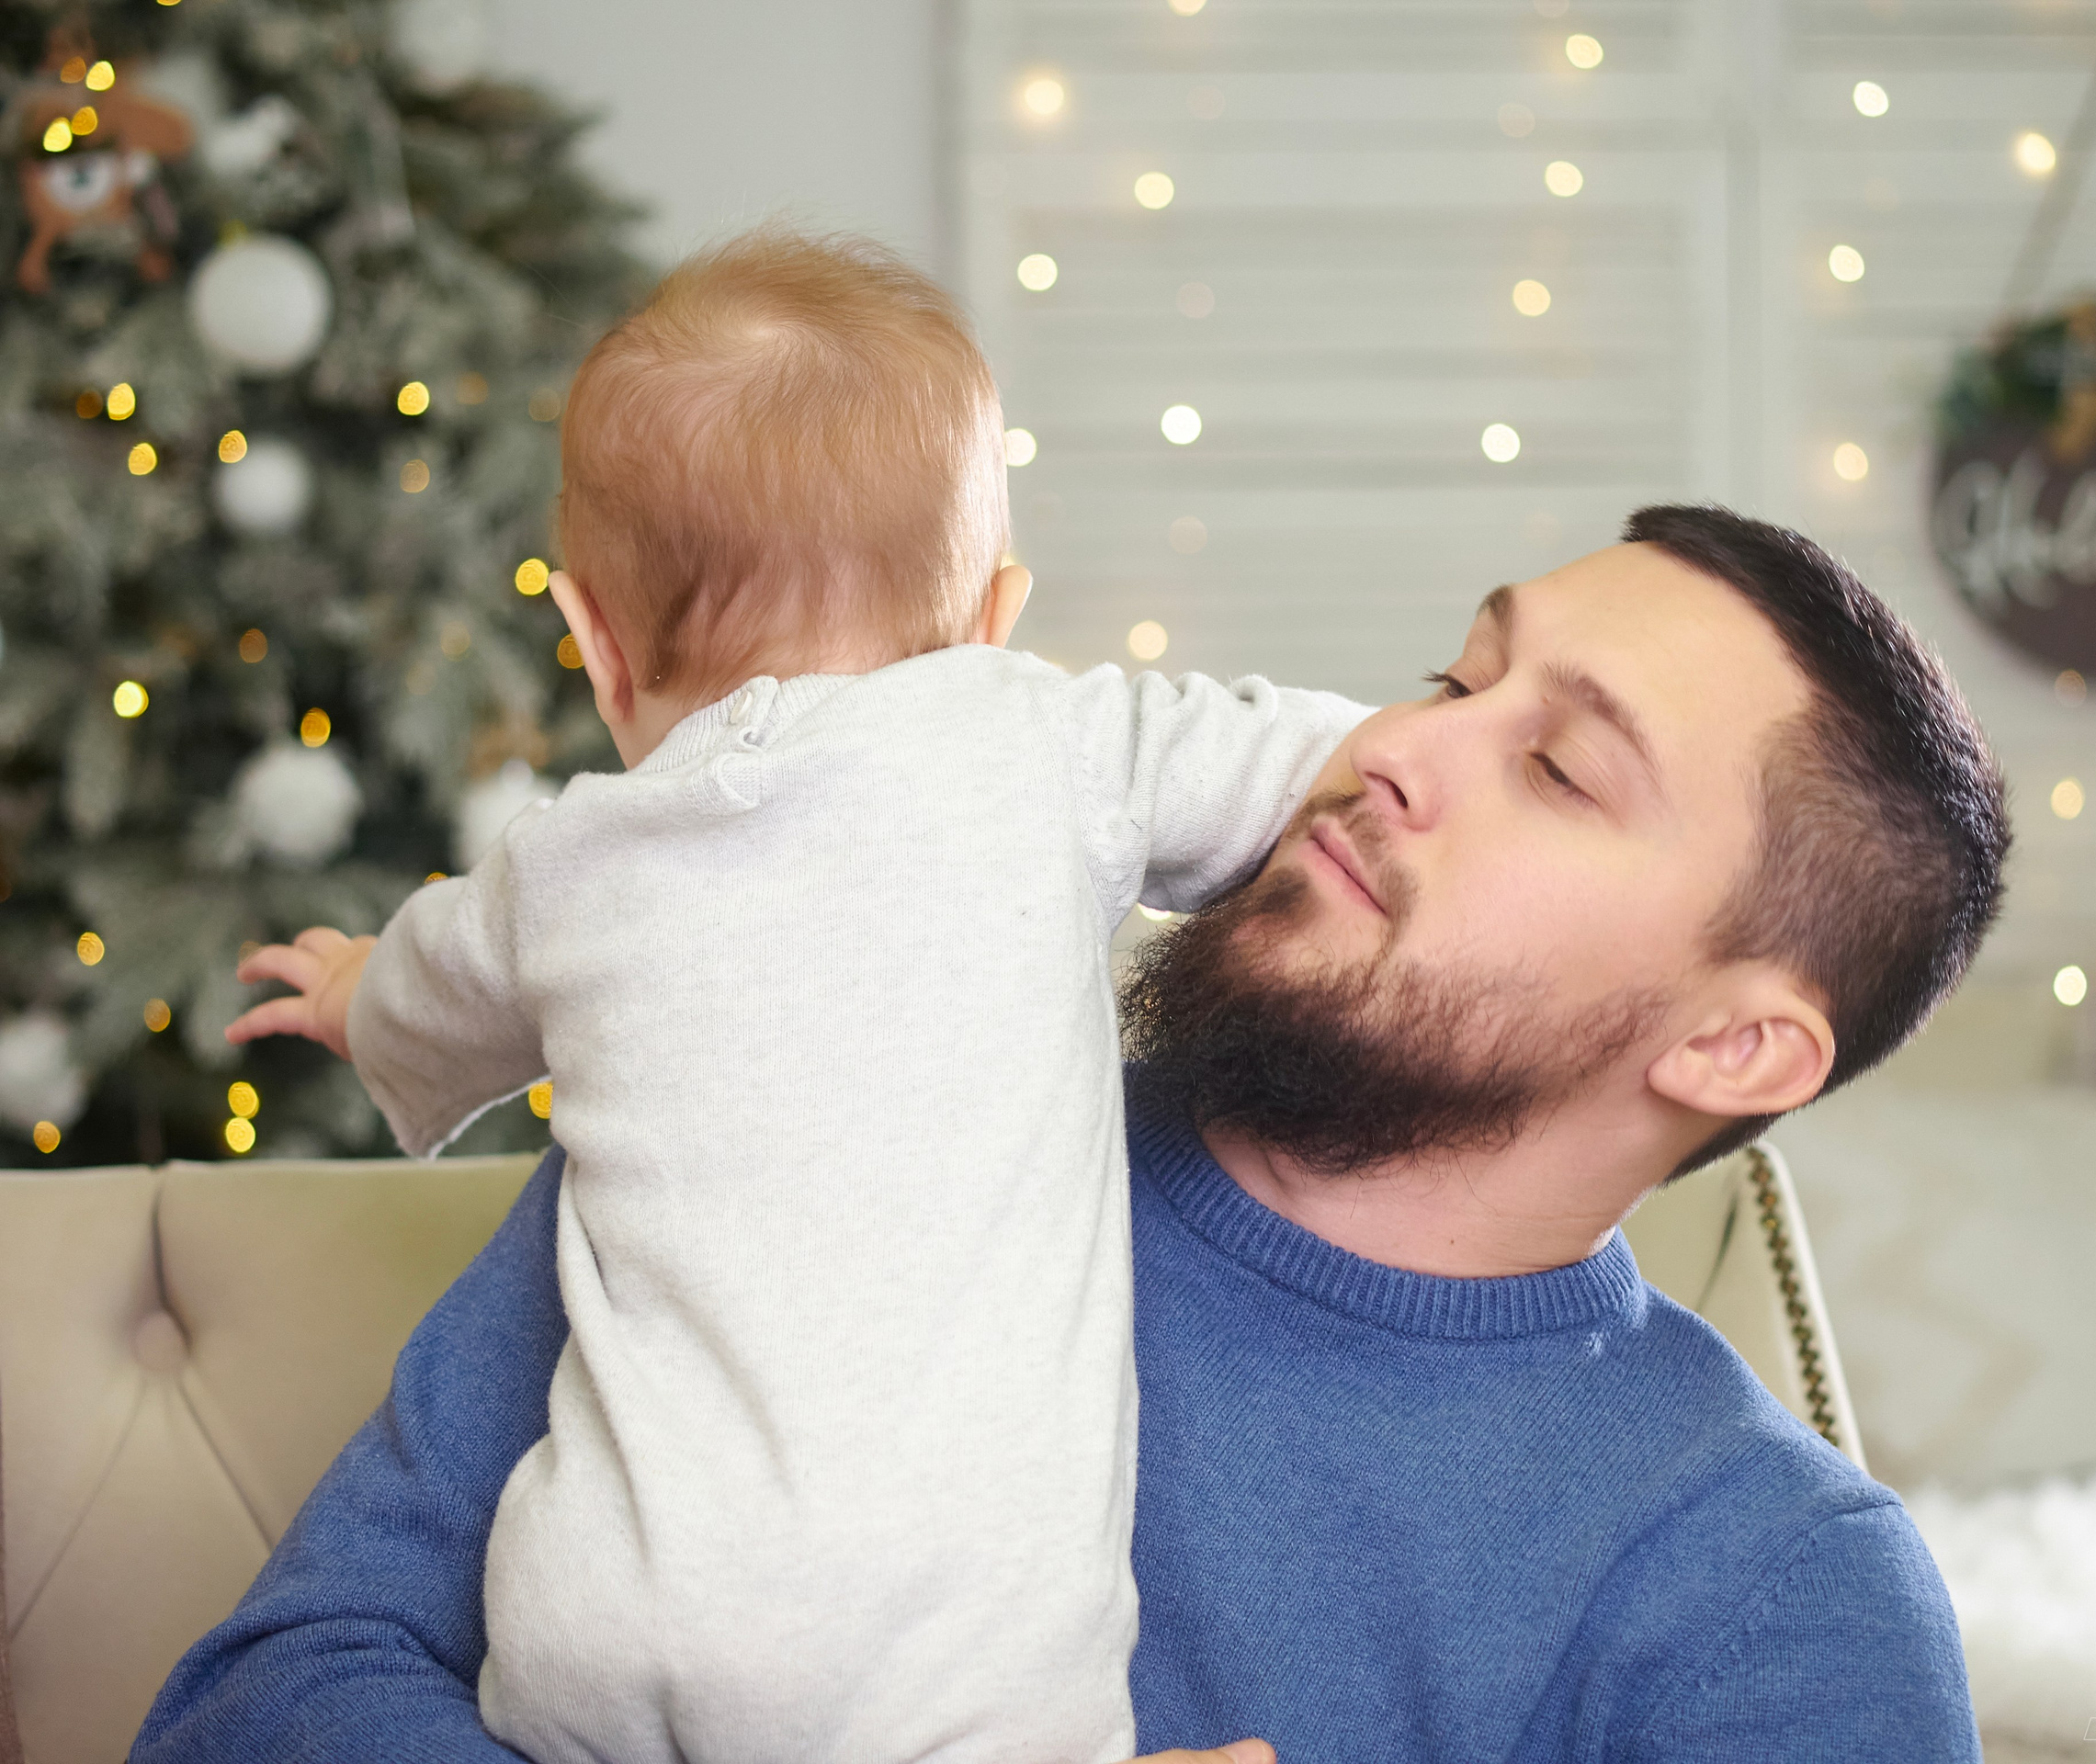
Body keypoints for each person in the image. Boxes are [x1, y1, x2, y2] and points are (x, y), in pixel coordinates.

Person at [140, 504, 2011, 1764]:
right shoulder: (806, 1094)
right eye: (1457, 676)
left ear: (1737, 1043)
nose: (1391, 745)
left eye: (1557, 766)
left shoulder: (1777, 1602)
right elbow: (260, 1704)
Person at [216, 231, 1366, 1764]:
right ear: (997, 614)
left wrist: (352, 987)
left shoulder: (571, 861)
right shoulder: (1047, 743)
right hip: (955, 1669)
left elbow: (427, 987)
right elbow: (1325, 766)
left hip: (596, 1620)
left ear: (594, 643)